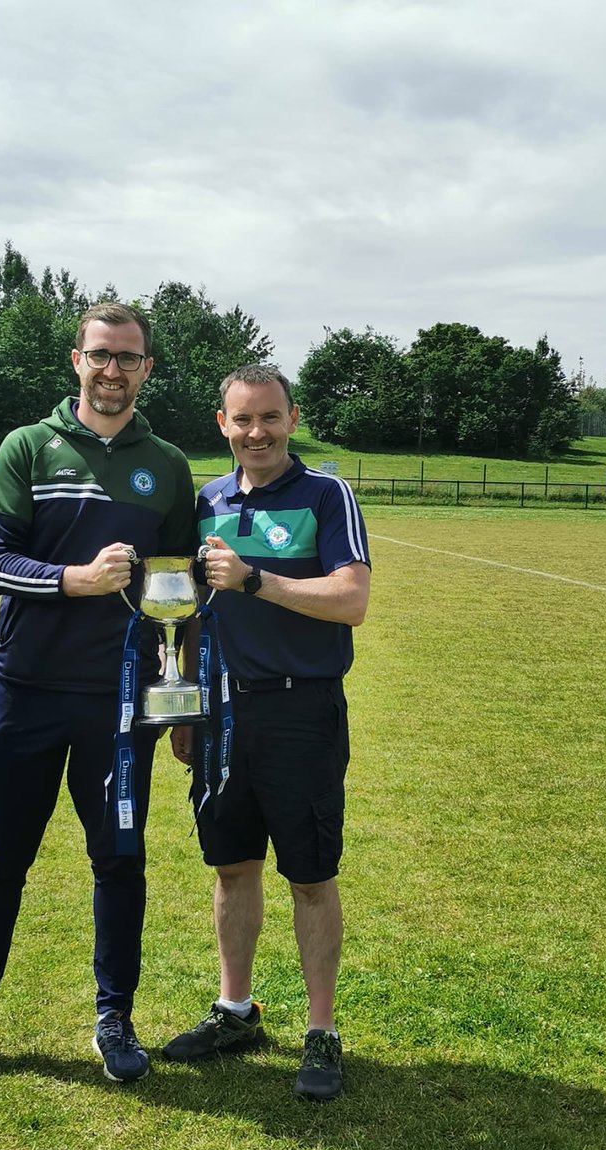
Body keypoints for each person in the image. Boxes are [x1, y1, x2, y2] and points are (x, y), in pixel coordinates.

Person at [0, 302, 195, 1090]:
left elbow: (177, 586)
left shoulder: (169, 465)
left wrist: (179, 692)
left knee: (120, 862)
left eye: (129, 358)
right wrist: (74, 581)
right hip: (24, 695)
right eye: (101, 355)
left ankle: (115, 1017)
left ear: (147, 369)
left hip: (119, 706)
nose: (114, 371)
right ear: (76, 361)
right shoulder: (27, 447)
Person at [164, 364, 370, 1101]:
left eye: (270, 418)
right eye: (242, 420)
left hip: (300, 710)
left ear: (292, 418)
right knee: (231, 865)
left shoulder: (325, 494)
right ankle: (235, 1009)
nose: (256, 433)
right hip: (219, 712)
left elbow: (351, 599)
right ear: (222, 424)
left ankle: (321, 1030)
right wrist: (187, 704)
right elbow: (187, 611)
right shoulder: (208, 500)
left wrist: (259, 580)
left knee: (309, 876)